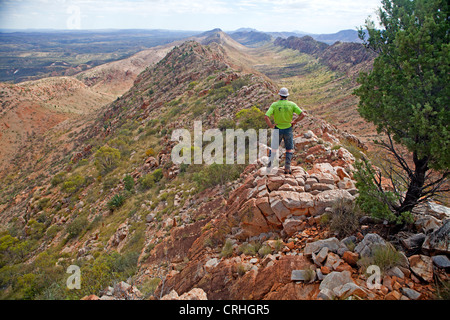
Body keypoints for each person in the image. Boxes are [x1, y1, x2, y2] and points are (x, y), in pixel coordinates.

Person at [264, 87, 305, 174]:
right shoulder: (292, 104)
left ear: (279, 95)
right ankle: (287, 168)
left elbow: (266, 116)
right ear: (287, 96)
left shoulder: (274, 105)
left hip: (277, 128)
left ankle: (269, 168)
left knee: (274, 149)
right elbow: (302, 115)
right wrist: (295, 121)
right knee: (289, 149)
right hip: (288, 129)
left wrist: (271, 125)